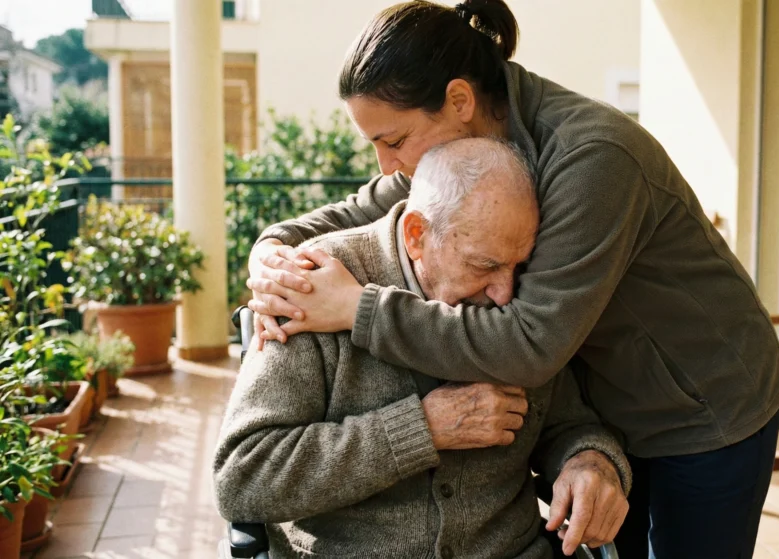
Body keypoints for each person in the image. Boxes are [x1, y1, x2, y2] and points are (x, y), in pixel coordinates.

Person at [245, 1, 779, 556]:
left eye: (394, 140)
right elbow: (361, 208)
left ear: (459, 100)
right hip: (613, 397)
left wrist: (359, 309)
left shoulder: (593, 158)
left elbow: (529, 344)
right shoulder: (458, 149)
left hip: (703, 405)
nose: (389, 165)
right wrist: (271, 252)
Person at [214, 138, 630, 559]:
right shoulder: (308, 285)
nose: (505, 294)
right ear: (417, 236)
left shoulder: (521, 297)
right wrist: (422, 428)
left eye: (517, 265)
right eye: (483, 265)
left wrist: (591, 462)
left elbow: (568, 423)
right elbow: (243, 477)